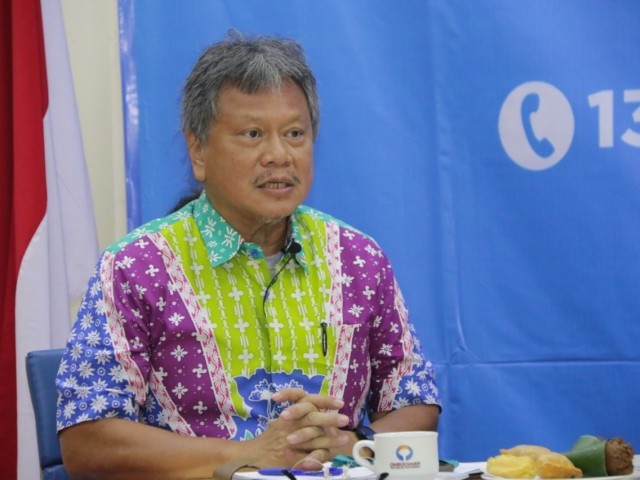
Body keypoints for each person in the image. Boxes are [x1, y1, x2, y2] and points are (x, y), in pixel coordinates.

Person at [56, 32, 441, 479]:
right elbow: (87, 442)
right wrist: (249, 455)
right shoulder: (136, 267)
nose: (279, 155)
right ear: (198, 150)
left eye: (294, 134)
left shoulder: (359, 259)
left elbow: (414, 401)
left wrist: (354, 443)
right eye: (253, 134)